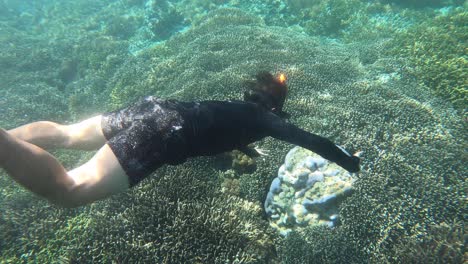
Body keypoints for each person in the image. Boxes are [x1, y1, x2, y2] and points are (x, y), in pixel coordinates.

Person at [0, 72, 360, 208]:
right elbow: (314, 142)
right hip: (165, 132)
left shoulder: (240, 109)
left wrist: (245, 146)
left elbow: (223, 126)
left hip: (154, 108)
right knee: (69, 190)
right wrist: (350, 162)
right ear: (277, 109)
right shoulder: (266, 121)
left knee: (66, 133)